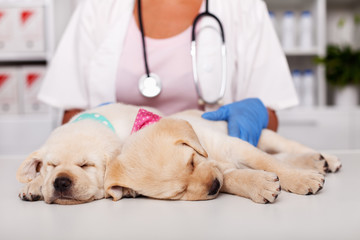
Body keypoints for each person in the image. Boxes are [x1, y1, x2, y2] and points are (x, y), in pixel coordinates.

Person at [38, 0, 298, 146]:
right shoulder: (99, 6)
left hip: (210, 173)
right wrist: (98, 125)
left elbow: (269, 116)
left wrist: (256, 114)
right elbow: (71, 116)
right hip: (118, 178)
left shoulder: (241, 6)